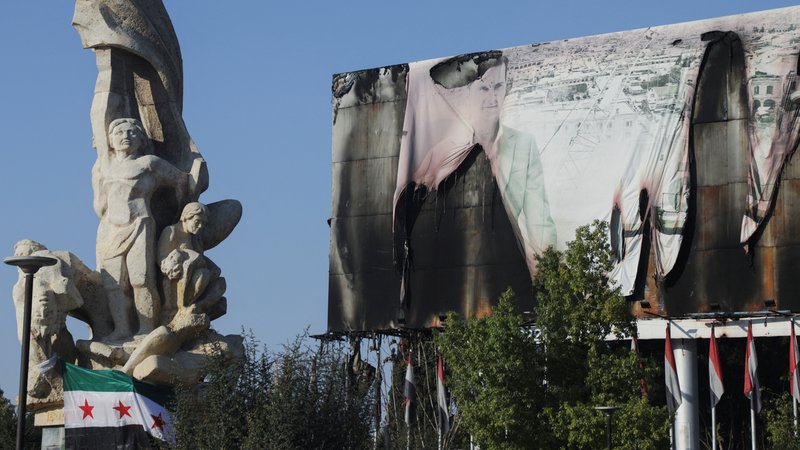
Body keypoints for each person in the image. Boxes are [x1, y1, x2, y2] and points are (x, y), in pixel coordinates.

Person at [93, 118, 199, 339]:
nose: (125, 136)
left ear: (141, 139)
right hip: (109, 229)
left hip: (139, 223)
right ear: (110, 140)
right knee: (113, 284)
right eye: (119, 132)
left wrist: (176, 212)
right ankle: (121, 329)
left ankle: (145, 328)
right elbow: (98, 204)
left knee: (140, 279)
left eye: (132, 132)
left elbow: (183, 181)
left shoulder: (149, 163)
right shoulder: (102, 167)